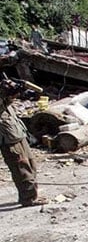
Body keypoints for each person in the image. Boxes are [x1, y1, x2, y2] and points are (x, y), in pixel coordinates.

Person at [0, 79, 47, 207]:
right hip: (7, 138)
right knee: (21, 167)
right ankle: (28, 197)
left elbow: (7, 100)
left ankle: (33, 193)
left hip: (16, 133)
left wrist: (18, 92)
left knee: (31, 164)